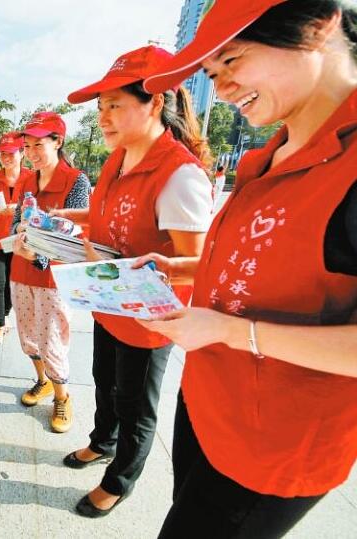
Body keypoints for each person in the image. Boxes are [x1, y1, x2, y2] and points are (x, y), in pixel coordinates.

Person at [135, 1, 357, 536]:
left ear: (318, 25)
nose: (226, 88)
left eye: (232, 61)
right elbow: (262, 264)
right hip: (211, 405)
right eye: (214, 75)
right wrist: (182, 267)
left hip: (273, 447)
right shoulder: (269, 154)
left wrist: (231, 331)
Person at [55, 45, 213, 518]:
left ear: (156, 102)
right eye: (101, 108)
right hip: (108, 302)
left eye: (115, 106)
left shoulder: (180, 176)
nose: (103, 118)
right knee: (104, 381)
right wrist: (67, 219)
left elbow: (198, 263)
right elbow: (109, 214)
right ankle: (103, 441)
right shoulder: (118, 158)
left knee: (137, 404)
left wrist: (143, 268)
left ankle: (121, 479)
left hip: (148, 320)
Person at [11, 111, 91, 433]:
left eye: (37, 145)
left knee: (53, 338)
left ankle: (62, 395)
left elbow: (73, 233)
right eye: (27, 146)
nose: (30, 154)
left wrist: (39, 255)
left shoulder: (76, 181)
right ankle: (42, 381)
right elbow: (18, 217)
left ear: (58, 142)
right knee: (29, 335)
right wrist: (18, 232)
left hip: (53, 277)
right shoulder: (27, 180)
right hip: (21, 270)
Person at [0, 132, 34, 347]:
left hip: (20, 240)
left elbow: (39, 209)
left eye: (11, 153)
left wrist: (18, 210)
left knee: (13, 283)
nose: (6, 158)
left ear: (22, 153)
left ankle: (6, 313)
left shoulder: (32, 178)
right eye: (2, 154)